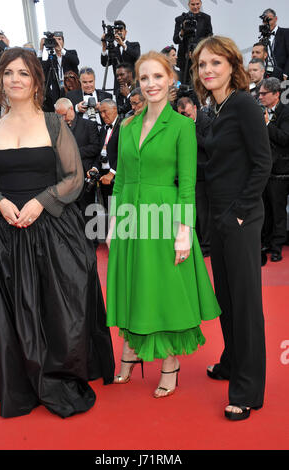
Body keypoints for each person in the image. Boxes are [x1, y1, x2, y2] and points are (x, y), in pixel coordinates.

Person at [0, 47, 115, 419]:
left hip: (53, 228)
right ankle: (21, 379)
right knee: (14, 310)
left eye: (23, 73)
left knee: (61, 306)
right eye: (9, 72)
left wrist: (42, 201)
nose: (15, 79)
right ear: (0, 80)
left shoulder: (52, 124)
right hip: (5, 232)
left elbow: (74, 177)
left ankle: (60, 371)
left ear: (36, 82)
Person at [106, 51, 221, 399]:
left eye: (158, 77)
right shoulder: (126, 126)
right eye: (144, 78)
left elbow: (187, 185)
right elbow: (122, 178)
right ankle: (132, 348)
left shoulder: (183, 126)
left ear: (170, 80)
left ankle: (170, 361)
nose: (151, 84)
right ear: (136, 84)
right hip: (131, 217)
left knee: (163, 290)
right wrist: (113, 223)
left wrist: (184, 232)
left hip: (165, 218)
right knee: (134, 283)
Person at [192, 36, 272, 420]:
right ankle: (230, 360)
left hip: (240, 218)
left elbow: (262, 163)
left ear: (232, 66)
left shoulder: (243, 105)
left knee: (245, 305)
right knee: (225, 297)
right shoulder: (214, 109)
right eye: (203, 65)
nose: (208, 70)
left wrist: (240, 213)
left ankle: (248, 388)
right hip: (220, 218)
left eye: (216, 63)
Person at [259, 77, 289, 262]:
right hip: (263, 169)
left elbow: (285, 138)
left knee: (278, 211)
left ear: (276, 94)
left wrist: (268, 124)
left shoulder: (285, 113)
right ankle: (266, 243)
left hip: (280, 170)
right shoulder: (260, 112)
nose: (260, 96)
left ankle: (277, 246)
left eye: (264, 93)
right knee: (265, 210)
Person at [177, 96, 211, 256]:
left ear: (195, 109)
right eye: (181, 115)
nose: (185, 118)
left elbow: (209, 146)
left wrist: (191, 132)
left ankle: (206, 245)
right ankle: (194, 242)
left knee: (203, 213)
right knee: (189, 211)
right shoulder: (178, 124)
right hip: (185, 174)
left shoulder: (206, 122)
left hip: (202, 174)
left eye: (188, 115)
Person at [173, 0, 213, 84]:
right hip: (184, 60)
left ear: (201, 4)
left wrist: (196, 49)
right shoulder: (180, 19)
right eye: (193, 4)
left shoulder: (206, 18)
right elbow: (176, 40)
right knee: (184, 84)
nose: (195, 7)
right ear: (188, 4)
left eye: (197, 4)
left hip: (201, 58)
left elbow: (209, 38)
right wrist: (182, 32)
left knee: (200, 84)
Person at [38, 31, 79, 111]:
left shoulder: (71, 53)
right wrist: (41, 49)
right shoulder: (51, 58)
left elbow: (76, 61)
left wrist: (61, 50)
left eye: (59, 39)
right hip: (57, 93)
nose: (57, 42)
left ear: (63, 42)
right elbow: (39, 68)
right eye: (55, 40)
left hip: (71, 89)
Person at [101, 20, 141, 92]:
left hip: (133, 85)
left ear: (125, 32)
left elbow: (137, 56)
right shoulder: (113, 50)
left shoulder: (134, 45)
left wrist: (123, 45)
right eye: (116, 31)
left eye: (121, 30)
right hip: (118, 87)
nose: (119, 33)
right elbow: (104, 63)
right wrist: (104, 46)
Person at [260, 8, 289, 78]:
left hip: (283, 76)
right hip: (267, 77)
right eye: (264, 20)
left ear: (276, 19)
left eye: (269, 19)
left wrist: (285, 74)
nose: (267, 22)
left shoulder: (286, 32)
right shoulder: (262, 39)